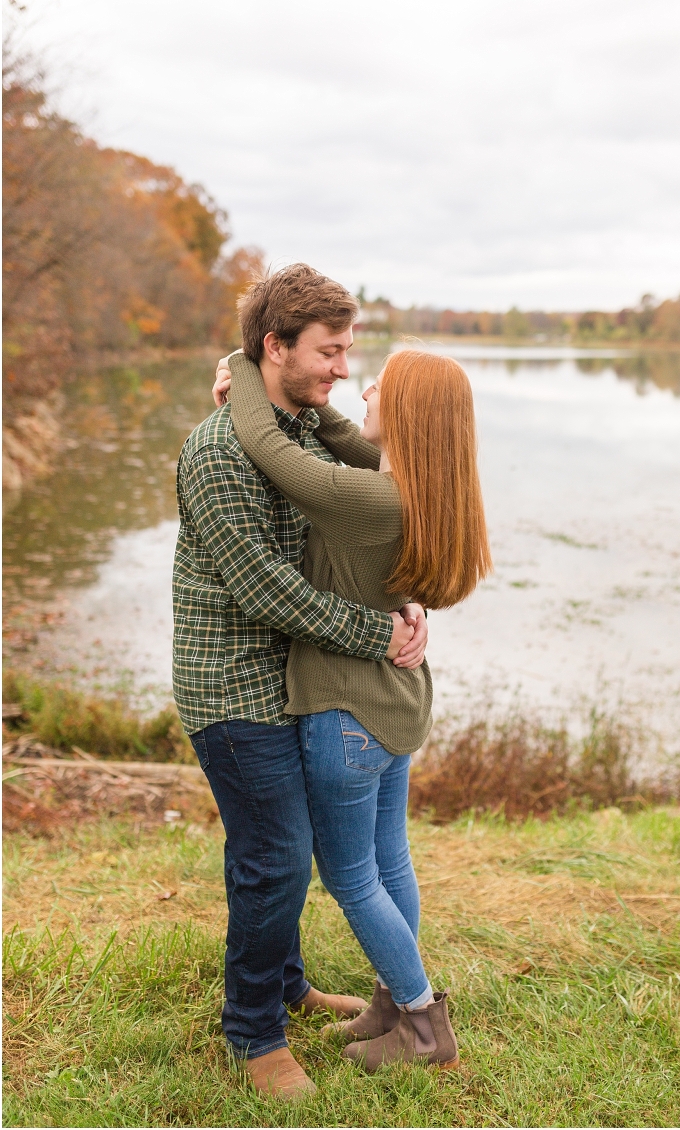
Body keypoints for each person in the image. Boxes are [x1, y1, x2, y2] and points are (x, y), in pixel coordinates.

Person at [173, 264, 428, 1099]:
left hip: (295, 677)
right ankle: (254, 1034)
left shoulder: (300, 433)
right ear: (274, 346)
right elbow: (265, 589)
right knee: (276, 854)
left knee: (272, 849)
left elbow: (363, 517)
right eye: (328, 351)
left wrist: (404, 599)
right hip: (233, 686)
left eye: (349, 350)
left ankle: (285, 983)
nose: (344, 369)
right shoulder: (216, 451)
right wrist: (379, 633)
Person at [220, 342, 492, 1074]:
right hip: (398, 704)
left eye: (383, 384)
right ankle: (391, 1003)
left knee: (350, 875)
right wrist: (325, 407)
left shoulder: (368, 499)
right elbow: (345, 438)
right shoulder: (422, 490)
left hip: (347, 712)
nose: (363, 384)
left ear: (405, 414)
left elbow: (271, 449)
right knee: (390, 857)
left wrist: (243, 367)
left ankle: (423, 1023)